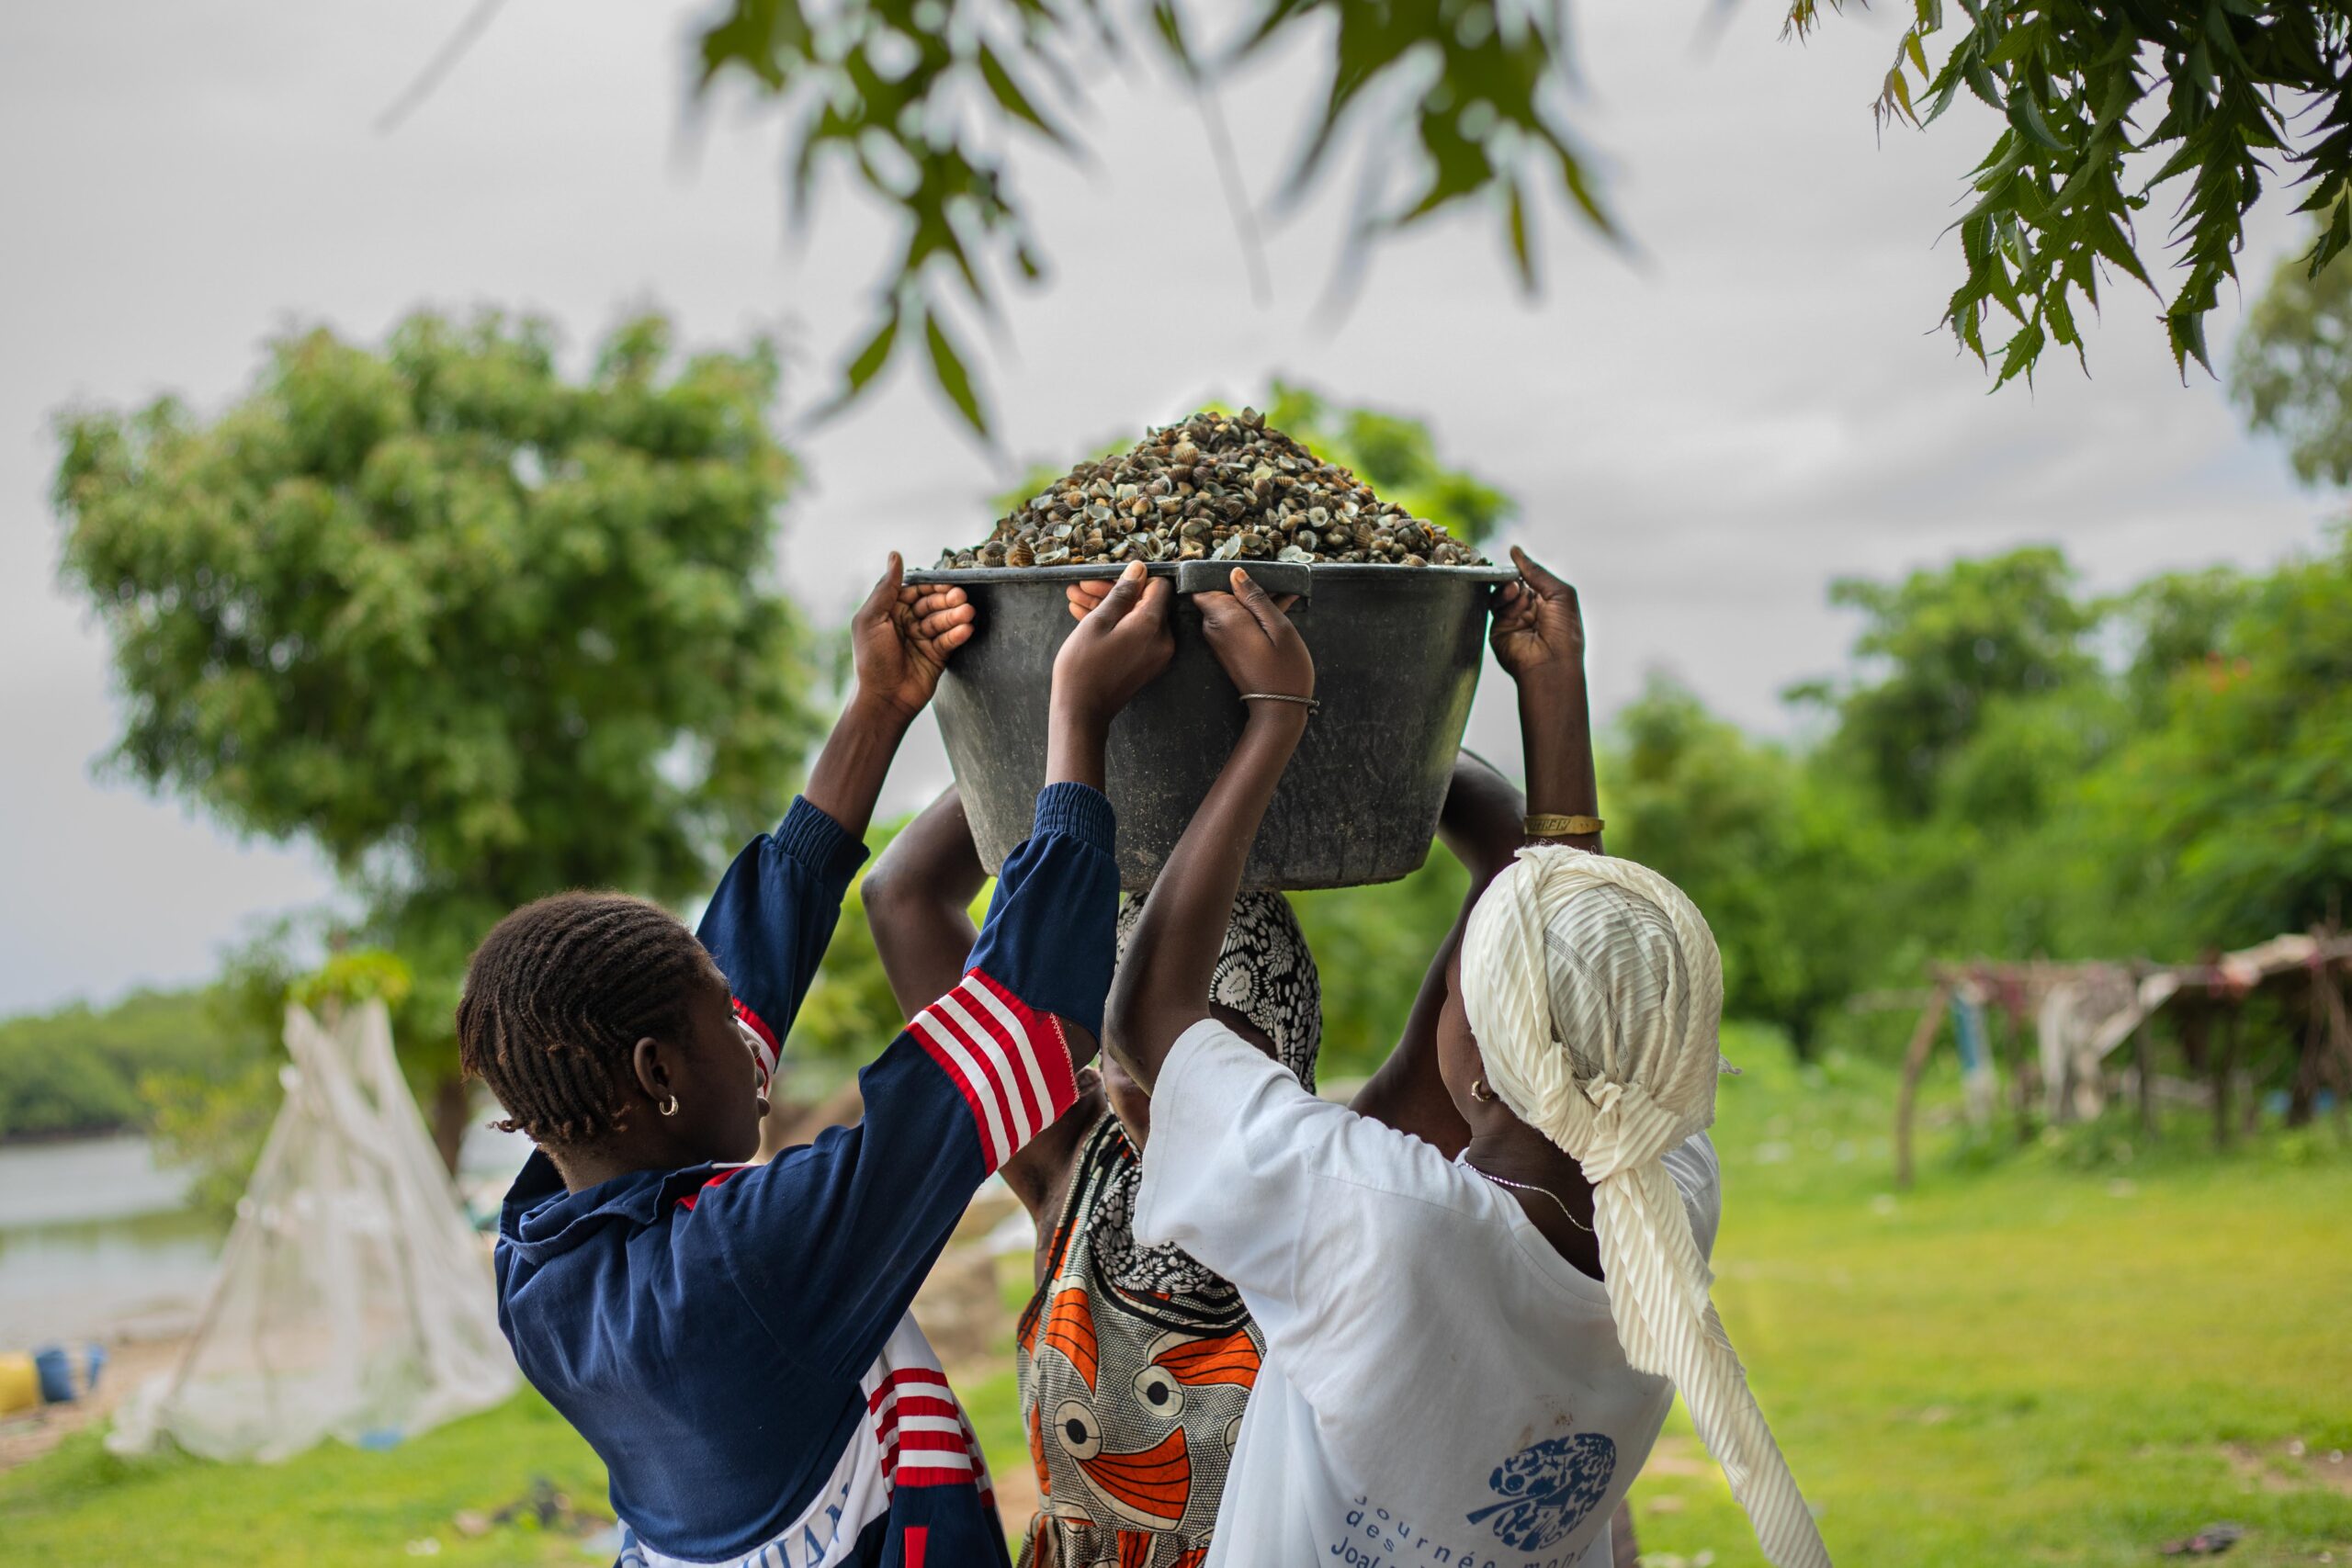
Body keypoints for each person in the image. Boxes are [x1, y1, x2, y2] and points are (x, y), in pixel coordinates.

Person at [1104, 552, 1833, 1568]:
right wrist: (1554, 698)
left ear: (1491, 1062)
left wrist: (1275, 717)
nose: (1437, 994)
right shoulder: (1666, 1192)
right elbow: (1564, 946)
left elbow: (1149, 1017)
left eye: (1453, 983)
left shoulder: (1389, 1226)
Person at [459, 556, 1175, 1568]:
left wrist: (878, 708)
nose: (753, 1045)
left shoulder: (542, 1257)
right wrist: (1077, 716)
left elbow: (735, 977)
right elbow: (1015, 1025)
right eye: (720, 1024)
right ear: (658, 1074)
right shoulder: (746, 1262)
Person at [864, 786, 1324, 1568]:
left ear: (1284, 1040)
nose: (1152, 1078)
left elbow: (1528, 950)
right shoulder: (1076, 1167)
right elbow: (904, 895)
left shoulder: (1361, 1196)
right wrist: (1074, 725)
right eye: (1124, 1037)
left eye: (1198, 1045)